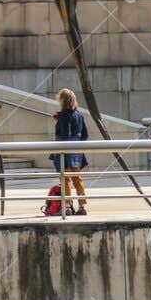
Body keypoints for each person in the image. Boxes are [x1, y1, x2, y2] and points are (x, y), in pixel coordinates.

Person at [52, 87, 89, 216]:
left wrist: (60, 121)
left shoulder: (64, 115)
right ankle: (82, 206)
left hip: (65, 151)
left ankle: (67, 206)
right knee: (78, 179)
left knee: (66, 179)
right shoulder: (79, 115)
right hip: (77, 151)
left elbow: (65, 134)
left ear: (62, 100)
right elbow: (85, 134)